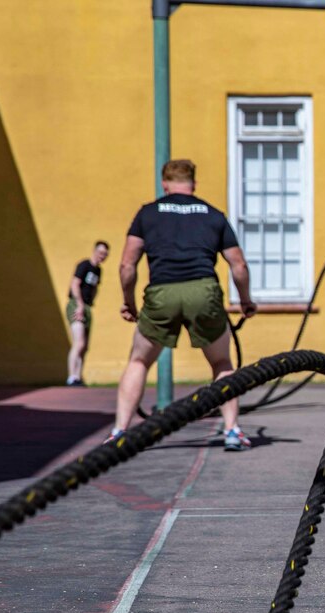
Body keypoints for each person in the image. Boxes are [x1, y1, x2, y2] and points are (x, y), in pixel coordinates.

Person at [106, 159, 257, 451]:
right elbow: (238, 265)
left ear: (164, 183)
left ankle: (120, 432)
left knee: (139, 361)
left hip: (162, 292)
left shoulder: (147, 213)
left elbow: (127, 265)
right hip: (203, 290)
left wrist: (128, 302)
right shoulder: (213, 214)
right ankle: (231, 431)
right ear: (194, 184)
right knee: (222, 363)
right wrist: (246, 300)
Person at [66, 240, 110, 386]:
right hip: (76, 304)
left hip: (86, 307)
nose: (102, 256)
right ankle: (71, 377)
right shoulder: (84, 265)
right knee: (79, 343)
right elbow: (74, 284)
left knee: (84, 347)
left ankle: (78, 377)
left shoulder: (98, 271)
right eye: (101, 253)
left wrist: (90, 303)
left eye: (105, 254)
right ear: (95, 251)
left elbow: (95, 287)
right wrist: (79, 305)